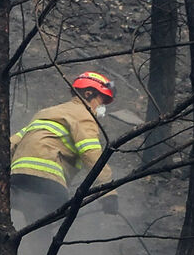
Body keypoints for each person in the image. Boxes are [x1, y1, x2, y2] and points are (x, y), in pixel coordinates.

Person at [9, 71, 118, 230]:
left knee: (37, 224)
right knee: (58, 213)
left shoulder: (46, 112)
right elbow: (91, 153)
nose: (102, 108)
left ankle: (13, 199)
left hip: (18, 176)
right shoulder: (84, 115)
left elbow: (13, 142)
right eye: (101, 102)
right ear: (88, 94)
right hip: (47, 178)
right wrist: (107, 192)